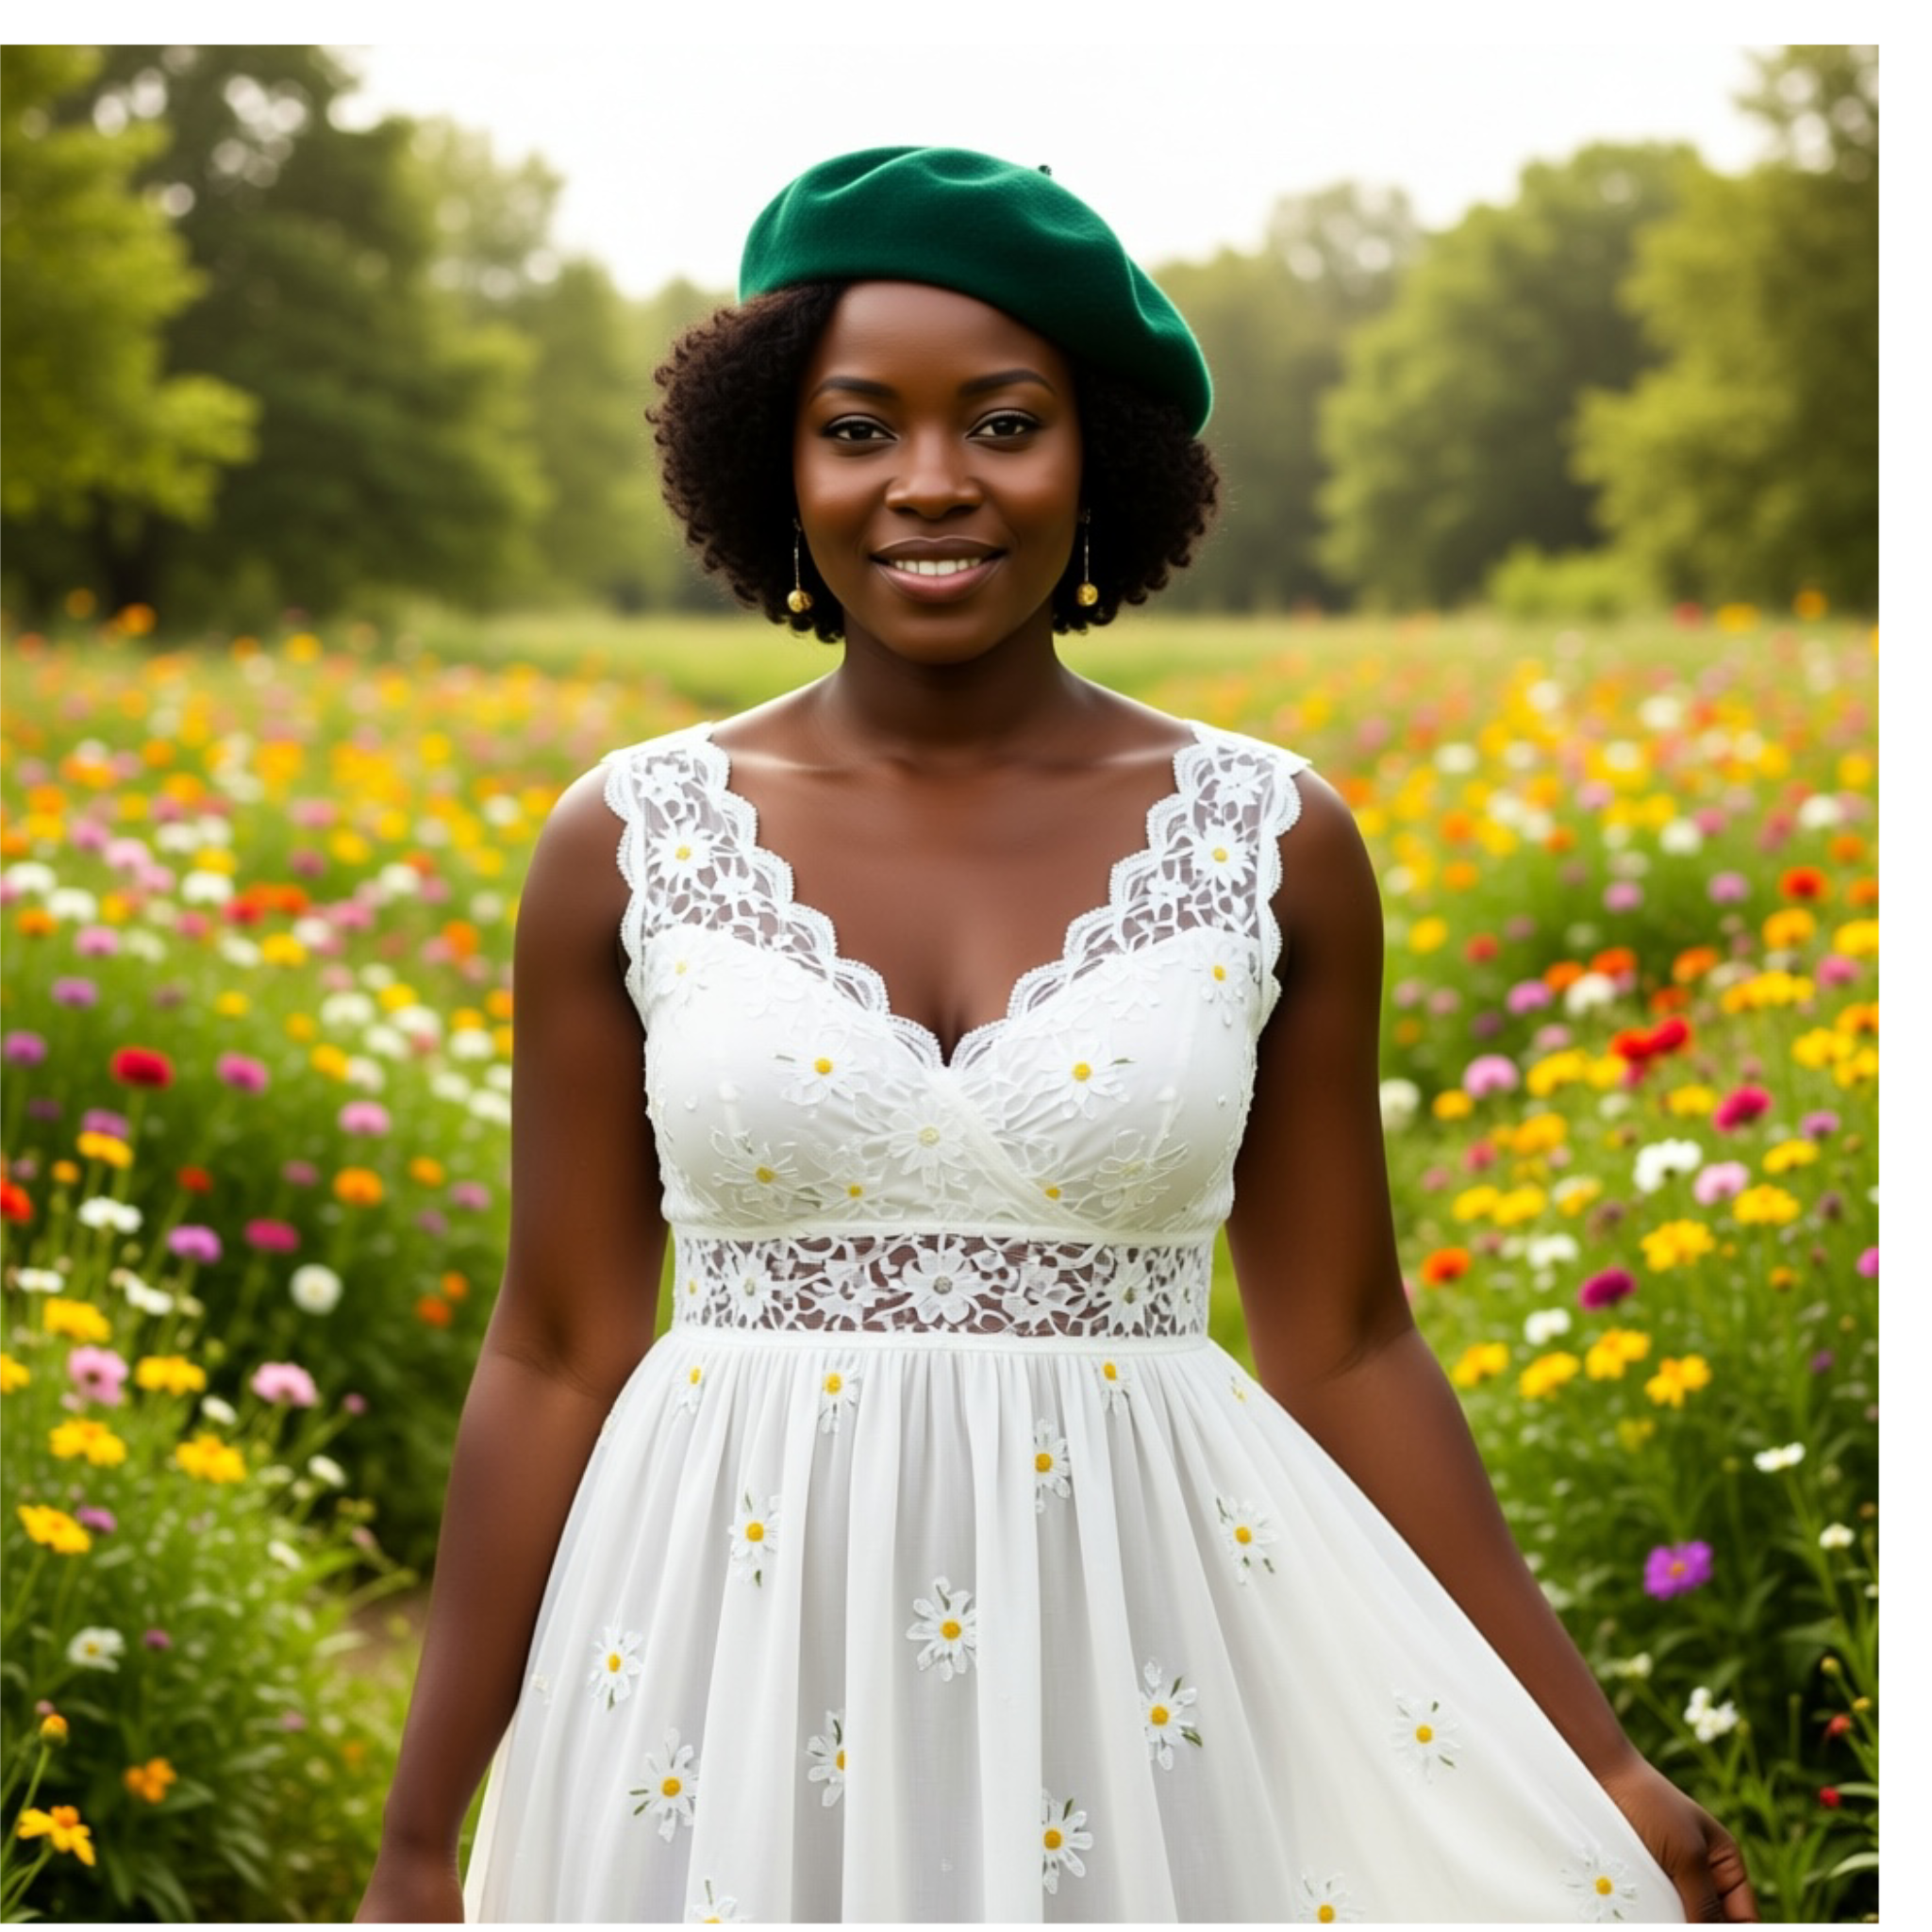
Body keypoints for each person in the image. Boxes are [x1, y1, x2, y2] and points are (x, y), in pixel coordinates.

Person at [359, 148, 1757, 1925]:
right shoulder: (624, 842)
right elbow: (555, 1347)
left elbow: (1342, 1343)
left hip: (1136, 1644)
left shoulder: (1276, 840)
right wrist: (419, 1847)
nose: (929, 483)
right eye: (858, 428)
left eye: (1002, 424)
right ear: (773, 468)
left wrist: (1603, 1757)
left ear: (1100, 457)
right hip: (721, 1639)